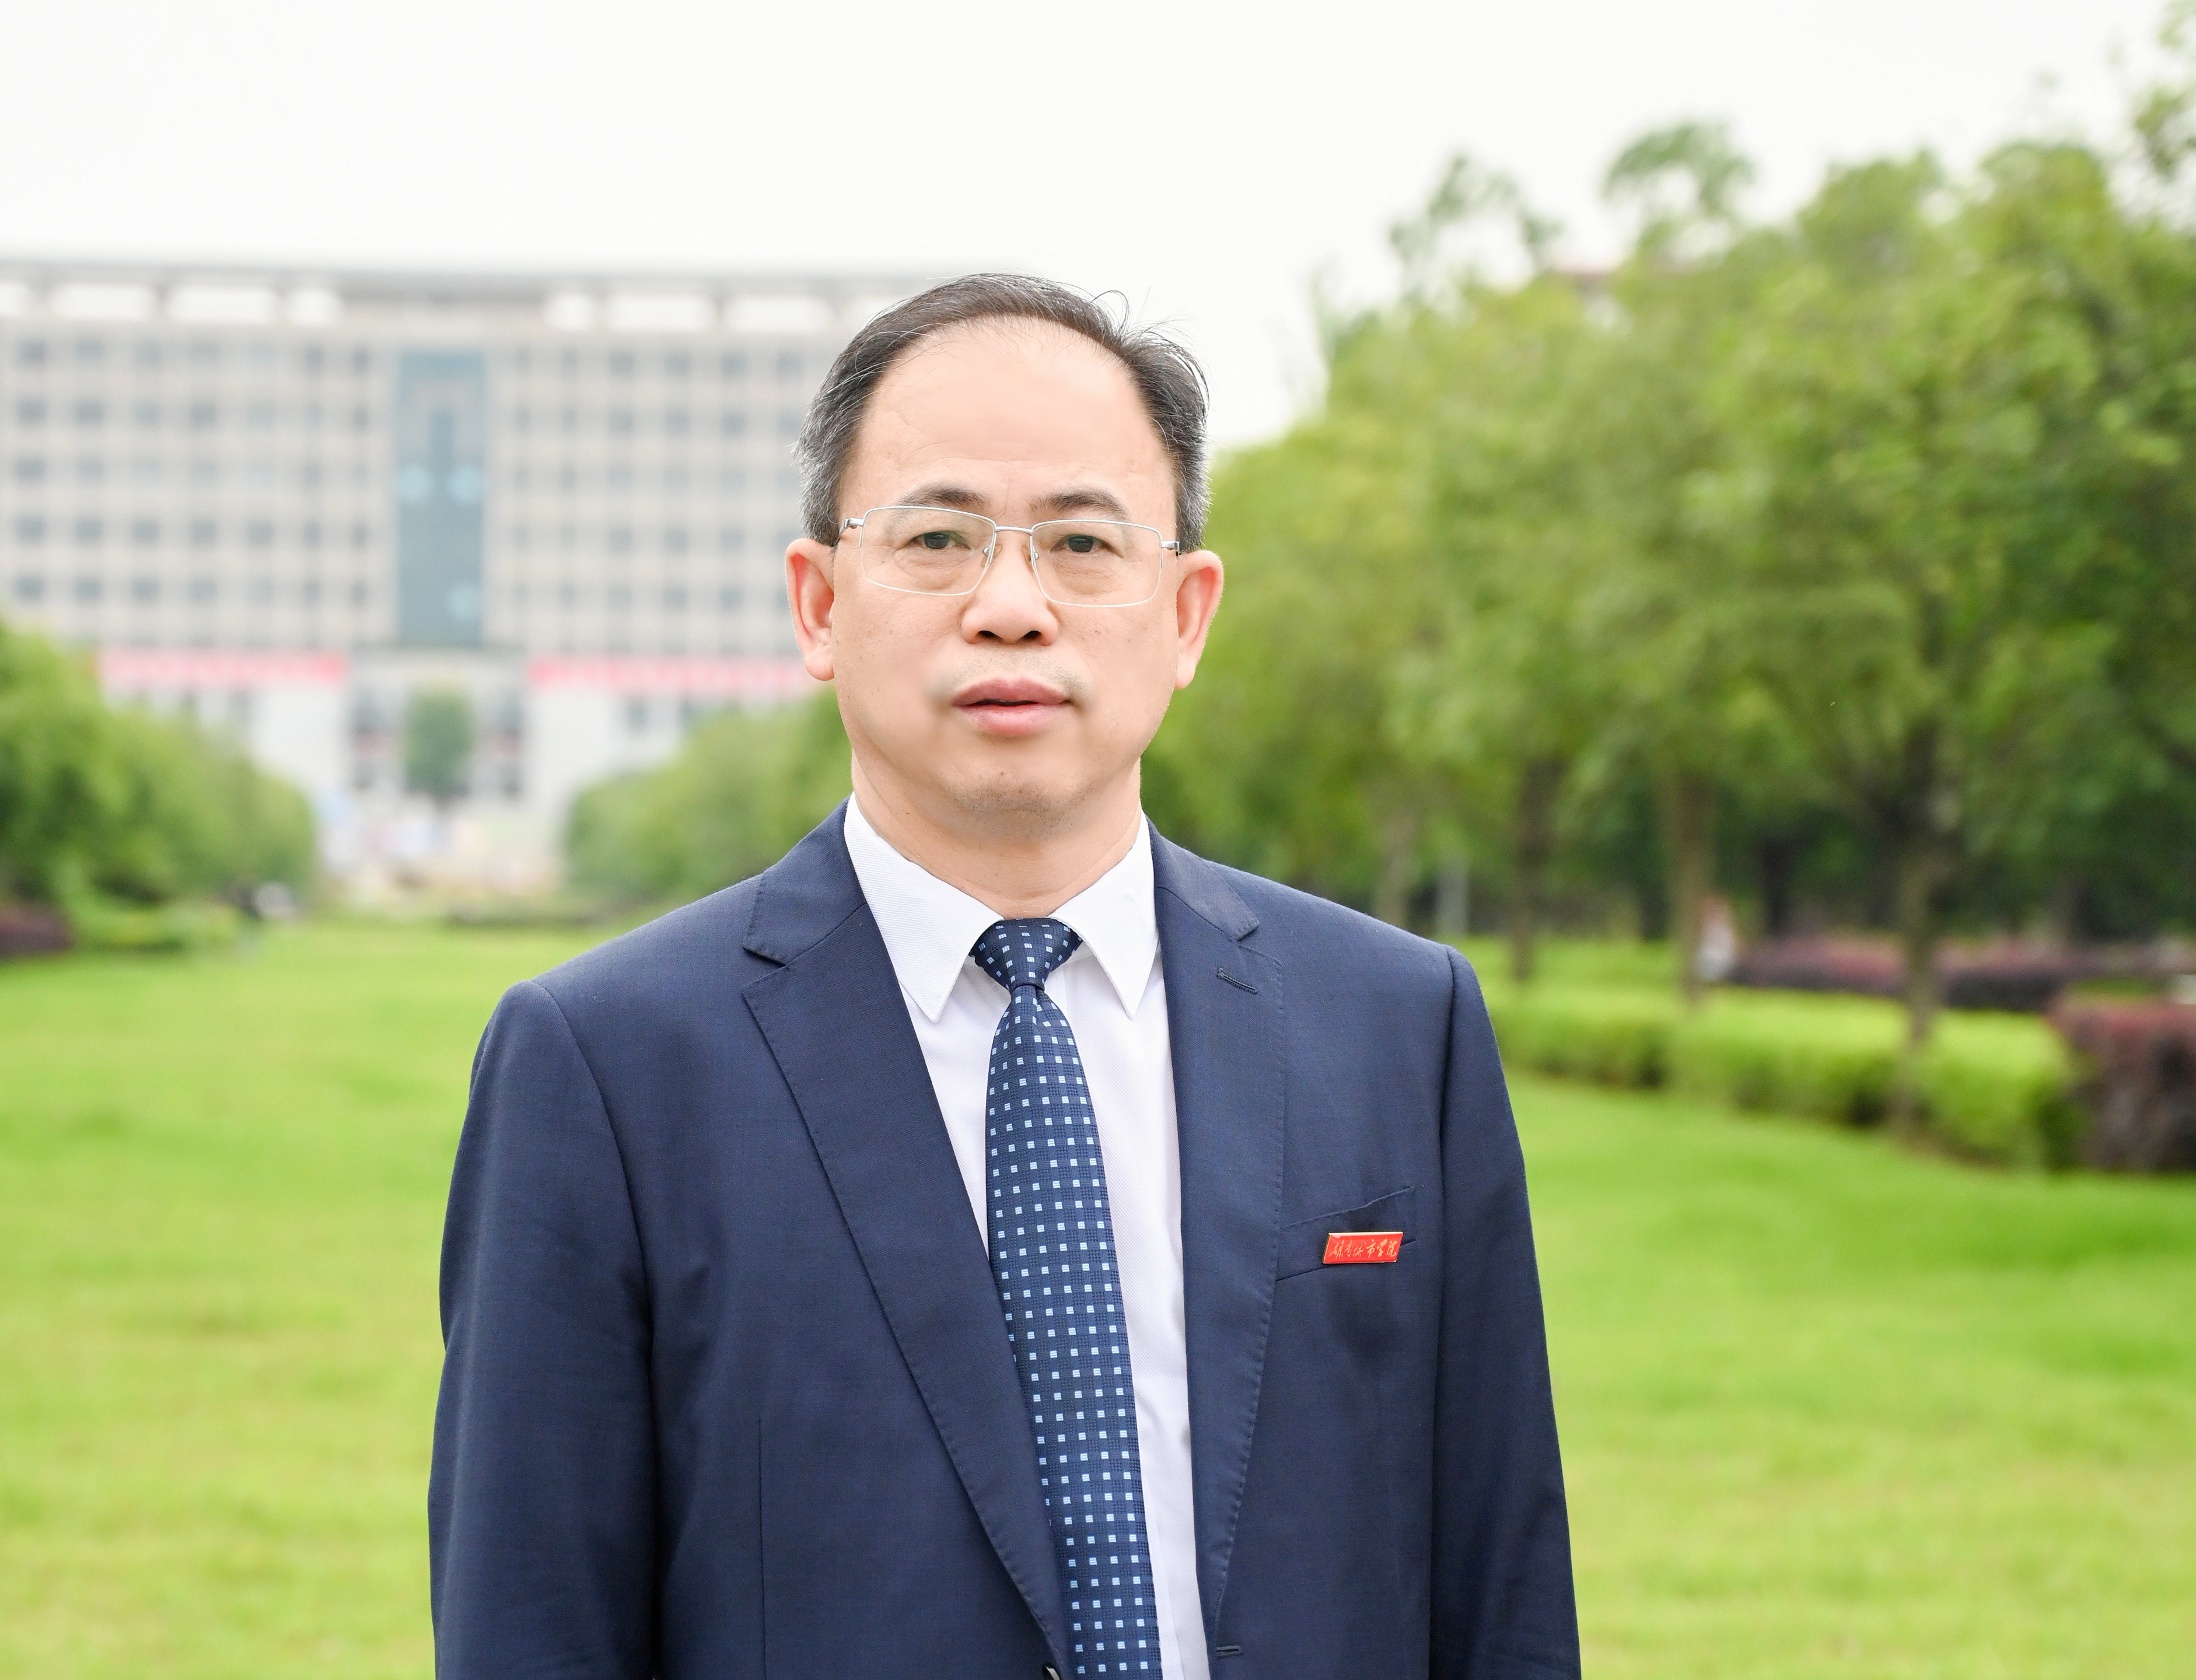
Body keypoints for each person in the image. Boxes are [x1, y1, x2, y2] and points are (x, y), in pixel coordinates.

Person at [429, 275, 1579, 1679]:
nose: (1014, 607)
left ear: (1188, 614)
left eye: (1085, 542)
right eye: (938, 538)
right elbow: (533, 1626)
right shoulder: (607, 1068)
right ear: (819, 604)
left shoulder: (1399, 1029)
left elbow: (1503, 1596)